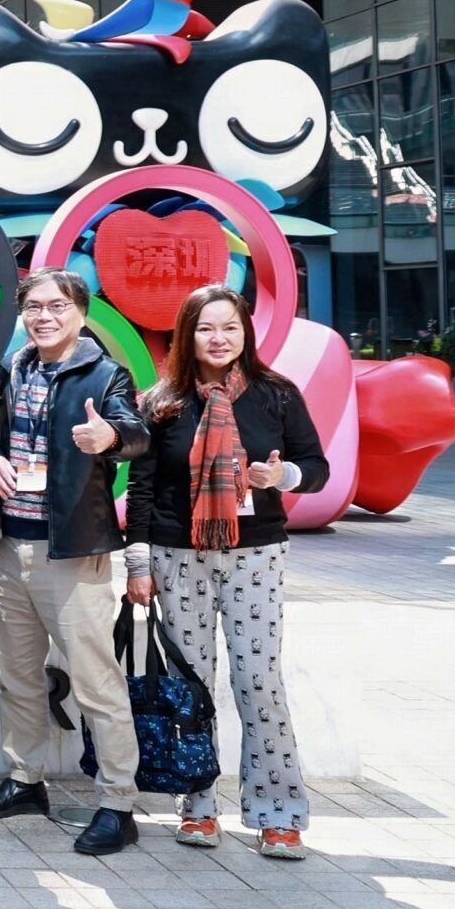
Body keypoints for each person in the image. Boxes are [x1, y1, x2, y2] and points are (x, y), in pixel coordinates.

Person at [126, 283, 327, 860]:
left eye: (230, 327)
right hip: (177, 557)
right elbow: (142, 487)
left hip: (255, 554)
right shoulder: (162, 402)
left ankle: (278, 814)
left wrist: (282, 477)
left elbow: (316, 467)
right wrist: (138, 563)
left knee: (259, 680)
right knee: (191, 684)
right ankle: (197, 806)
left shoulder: (276, 395)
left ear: (246, 333)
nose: (219, 338)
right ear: (187, 335)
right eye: (206, 328)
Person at [0, 267, 151, 856]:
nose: (44, 317)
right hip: (8, 548)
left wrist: (109, 439)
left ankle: (118, 803)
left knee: (97, 683)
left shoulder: (104, 373)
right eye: (34, 307)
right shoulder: (12, 369)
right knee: (16, 676)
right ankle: (26, 780)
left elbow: (136, 432)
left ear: (81, 312)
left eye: (57, 306)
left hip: (73, 554)